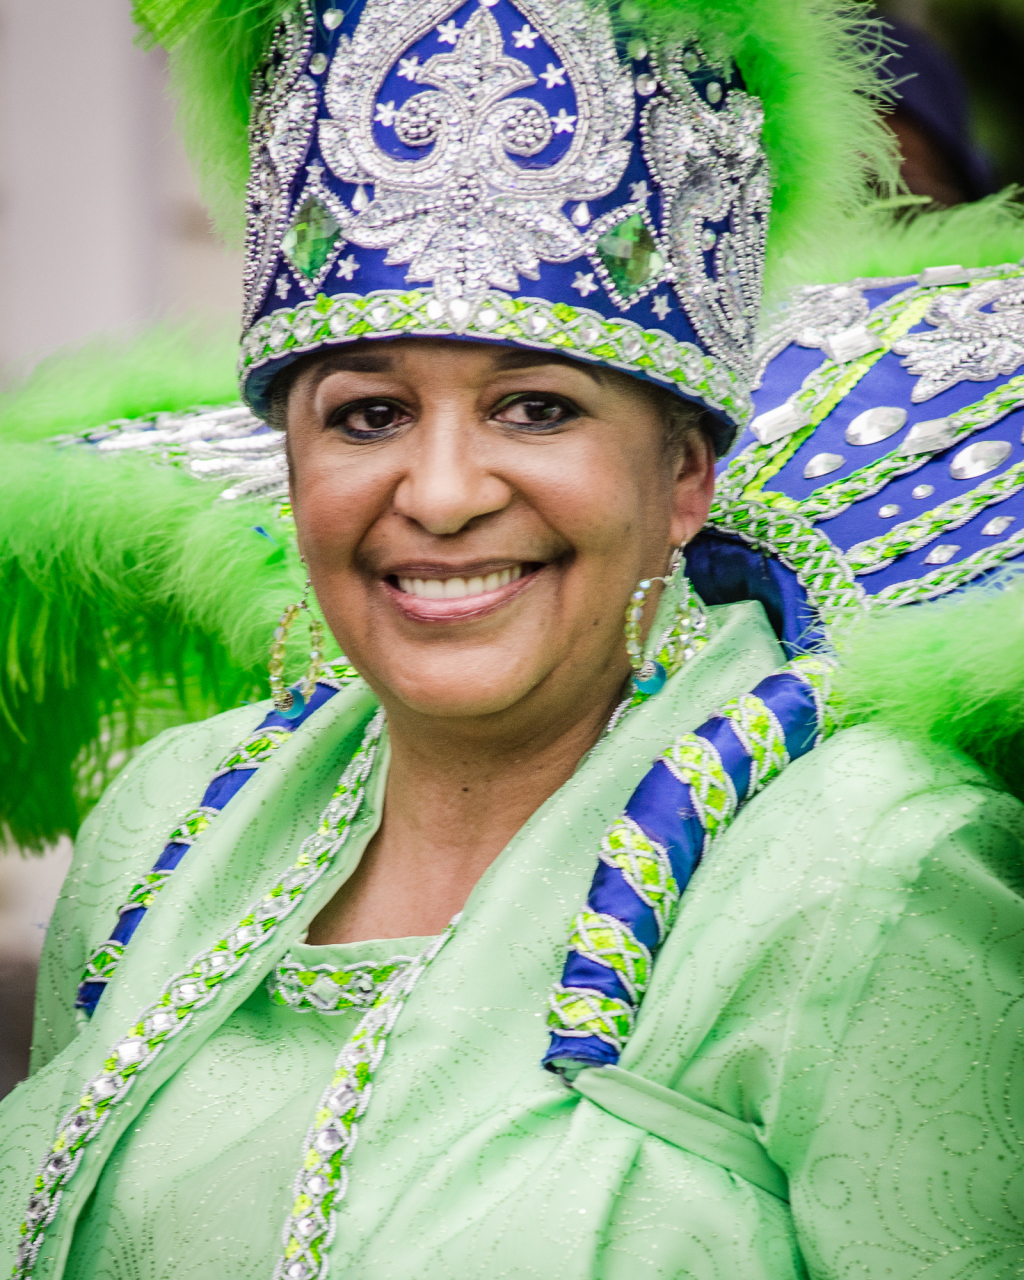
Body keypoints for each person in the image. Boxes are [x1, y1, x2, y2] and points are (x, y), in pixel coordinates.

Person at [1, 1, 1022, 1278]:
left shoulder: (876, 870)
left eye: (535, 408)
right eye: (367, 415)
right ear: (292, 466)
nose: (438, 494)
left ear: (684, 475)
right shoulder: (167, 818)